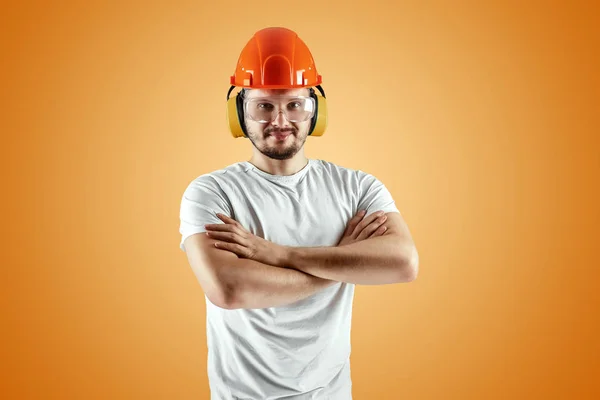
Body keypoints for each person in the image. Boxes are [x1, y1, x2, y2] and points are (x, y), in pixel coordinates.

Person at [179, 27, 419, 400]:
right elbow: (229, 290)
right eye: (263, 106)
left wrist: (277, 254)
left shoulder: (357, 188)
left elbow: (403, 264)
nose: (280, 121)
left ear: (315, 111)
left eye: (295, 104)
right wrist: (343, 265)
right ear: (238, 112)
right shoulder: (212, 192)